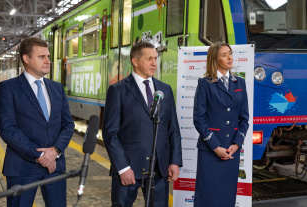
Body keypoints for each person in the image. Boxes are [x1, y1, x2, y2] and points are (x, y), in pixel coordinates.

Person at [102, 41, 182, 207]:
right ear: (135, 61)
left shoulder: (165, 89)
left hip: (159, 169)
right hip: (129, 167)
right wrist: (122, 168)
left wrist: (174, 161)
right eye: (149, 59)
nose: (154, 63)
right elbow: (110, 133)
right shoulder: (118, 90)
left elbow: (173, 129)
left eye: (155, 58)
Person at [0, 37, 74, 207]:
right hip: (21, 167)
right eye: (42, 57)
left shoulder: (57, 88)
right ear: (26, 58)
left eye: (48, 56)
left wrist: (55, 151)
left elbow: (68, 124)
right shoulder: (8, 88)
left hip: (55, 166)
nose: (48, 61)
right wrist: (40, 155)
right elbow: (7, 129)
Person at [193, 42, 249, 207]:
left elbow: (244, 118)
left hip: (231, 151)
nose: (230, 57)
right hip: (211, 151)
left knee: (227, 197)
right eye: (224, 55)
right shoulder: (205, 83)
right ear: (214, 59)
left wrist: (237, 144)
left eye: (230, 53)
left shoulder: (240, 82)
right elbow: (198, 118)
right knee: (207, 198)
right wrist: (215, 147)